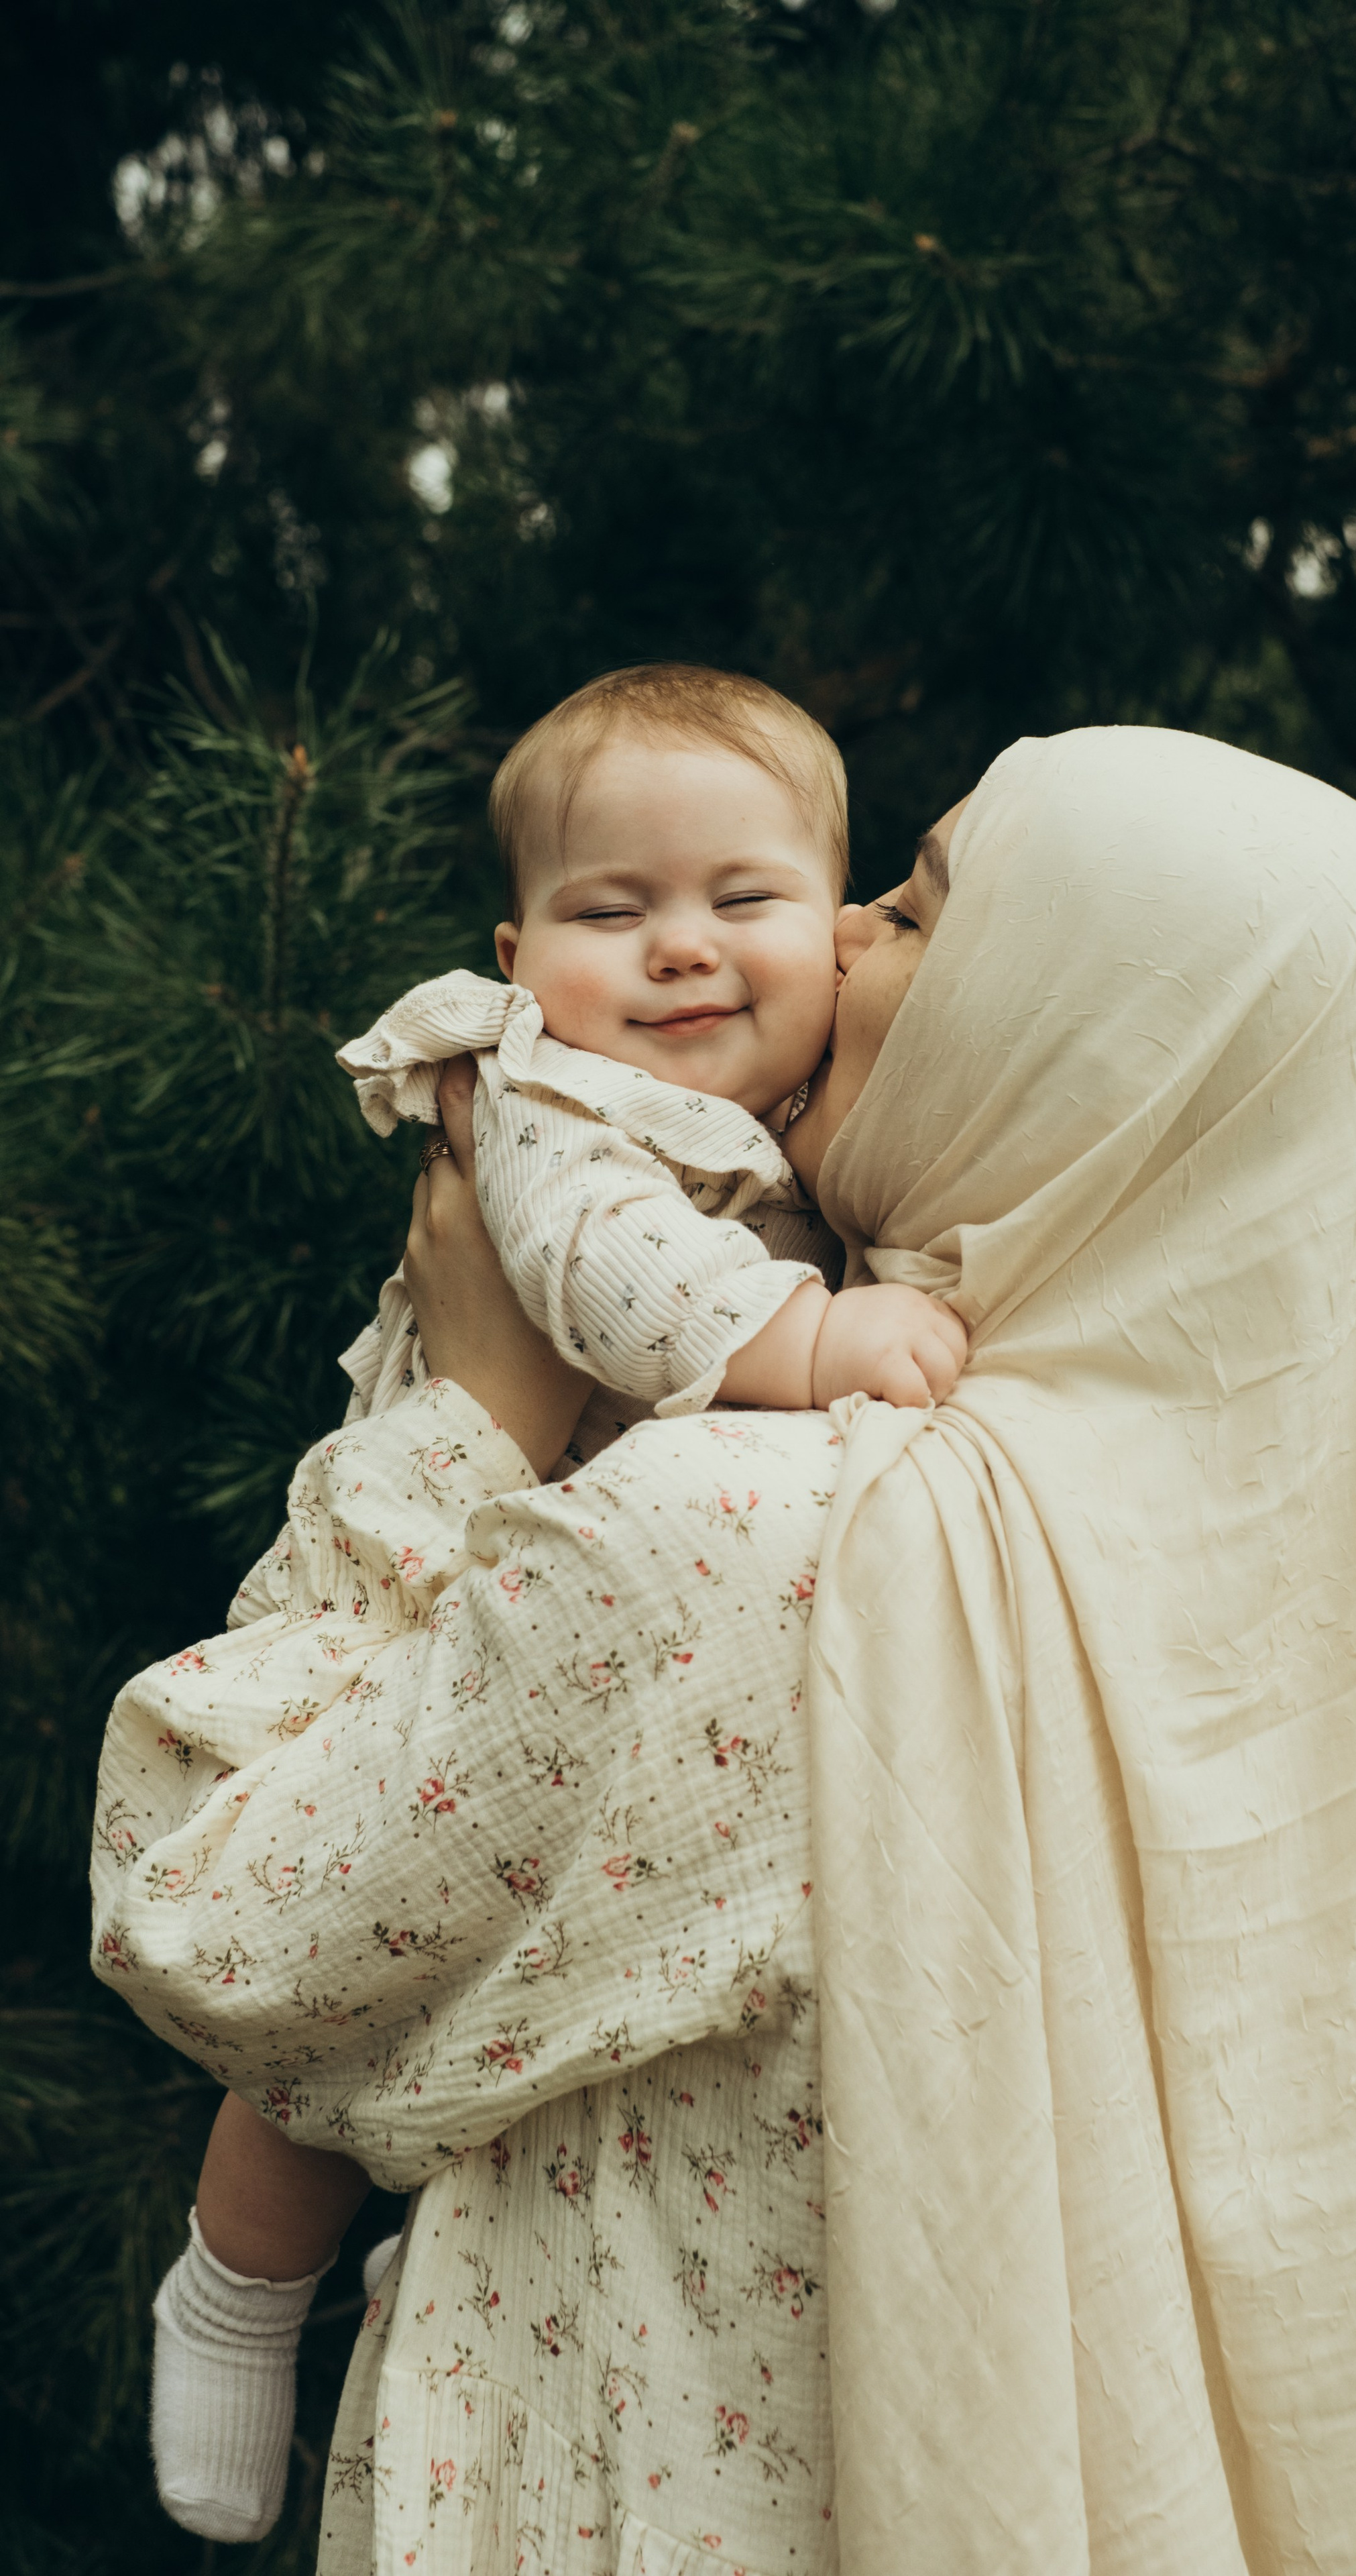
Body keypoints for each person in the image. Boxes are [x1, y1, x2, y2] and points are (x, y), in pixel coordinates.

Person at [93, 727, 1356, 2575]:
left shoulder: (755, 1542)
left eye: (921, 910)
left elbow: (216, 1918)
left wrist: (468, 1408)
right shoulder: (1312, 1586)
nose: (835, 934)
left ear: (1068, 1038)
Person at [144, 660, 962, 2546]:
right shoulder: (547, 1106)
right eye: (614, 911)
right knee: (337, 1995)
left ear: (839, 930)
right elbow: (609, 1287)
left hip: (595, 1639)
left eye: (742, 902)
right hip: (458, 1562)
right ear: (521, 952)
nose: (679, 951)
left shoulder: (821, 1131)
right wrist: (818, 1334)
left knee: (475, 1983)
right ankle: (235, 2284)